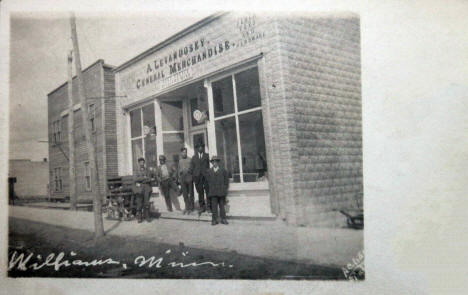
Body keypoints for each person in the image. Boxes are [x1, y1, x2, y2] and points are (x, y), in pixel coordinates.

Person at [205, 155, 229, 225]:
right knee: (214, 207)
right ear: (211, 163)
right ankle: (214, 219)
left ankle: (223, 219)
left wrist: (225, 191)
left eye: (216, 161)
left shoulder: (223, 171)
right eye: (213, 162)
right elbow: (207, 183)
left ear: (218, 162)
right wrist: (208, 193)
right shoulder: (209, 171)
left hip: (221, 192)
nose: (214, 163)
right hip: (213, 192)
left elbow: (226, 182)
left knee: (222, 206)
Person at [132, 157, 155, 223]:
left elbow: (149, 178)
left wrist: (142, 179)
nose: (142, 163)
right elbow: (135, 179)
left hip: (147, 187)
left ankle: (147, 217)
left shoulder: (147, 170)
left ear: (144, 163)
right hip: (139, 188)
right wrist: (143, 178)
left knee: (146, 203)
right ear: (138, 163)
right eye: (140, 162)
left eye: (143, 162)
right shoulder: (136, 171)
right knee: (139, 203)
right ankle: (139, 217)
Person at [190, 142, 210, 213]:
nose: (200, 148)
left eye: (201, 146)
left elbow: (209, 166)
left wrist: (207, 172)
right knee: (200, 192)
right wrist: (194, 176)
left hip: (206, 176)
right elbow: (191, 168)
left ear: (203, 148)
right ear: (197, 148)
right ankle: (202, 207)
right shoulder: (194, 157)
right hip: (198, 177)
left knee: (208, 191)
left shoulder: (207, 156)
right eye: (199, 147)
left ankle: (209, 207)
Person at [177, 147, 194, 214]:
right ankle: (187, 207)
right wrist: (179, 177)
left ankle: (191, 207)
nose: (184, 153)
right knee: (185, 194)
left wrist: (188, 170)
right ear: (181, 153)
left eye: (185, 152)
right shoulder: (180, 161)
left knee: (191, 194)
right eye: (183, 152)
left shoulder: (190, 160)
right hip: (183, 180)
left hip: (189, 179)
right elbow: (178, 170)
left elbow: (192, 169)